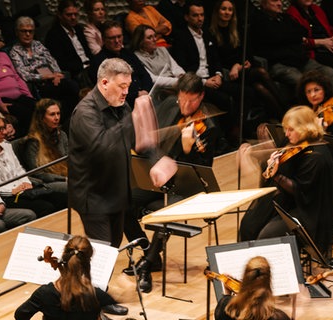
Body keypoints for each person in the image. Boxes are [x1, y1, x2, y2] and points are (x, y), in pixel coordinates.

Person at [125, 72, 222, 293]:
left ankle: (147, 264)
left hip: (184, 186)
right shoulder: (169, 105)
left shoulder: (209, 126)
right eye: (183, 99)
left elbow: (202, 169)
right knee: (122, 202)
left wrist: (188, 150)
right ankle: (148, 249)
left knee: (169, 212)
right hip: (157, 179)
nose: (186, 105)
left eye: (193, 100)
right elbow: (150, 142)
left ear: (201, 97)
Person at [239, 106, 333, 255]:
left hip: (313, 212)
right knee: (248, 225)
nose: (286, 134)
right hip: (293, 202)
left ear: (305, 128)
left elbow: (301, 191)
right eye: (285, 129)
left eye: (290, 129)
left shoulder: (316, 156)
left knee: (266, 237)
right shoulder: (294, 143)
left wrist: (277, 176)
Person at [69, 58, 145, 248]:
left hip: (116, 192)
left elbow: (136, 140)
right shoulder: (85, 112)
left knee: (113, 246)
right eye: (121, 86)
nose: (126, 92)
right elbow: (103, 147)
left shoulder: (123, 106)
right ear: (104, 83)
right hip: (94, 197)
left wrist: (157, 159)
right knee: (103, 252)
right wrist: (133, 118)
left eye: (128, 85)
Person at [249, 0, 333, 104]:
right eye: (274, 1)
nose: (279, 4)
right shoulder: (259, 21)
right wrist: (292, 37)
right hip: (280, 64)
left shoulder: (285, 18)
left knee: (329, 72)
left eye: (280, 1)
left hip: (300, 60)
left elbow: (303, 31)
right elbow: (274, 36)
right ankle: (316, 113)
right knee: (303, 81)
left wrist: (287, 36)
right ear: (263, 3)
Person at [209, 0, 285, 120]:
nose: (227, 12)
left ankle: (282, 117)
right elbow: (215, 59)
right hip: (227, 74)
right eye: (223, 9)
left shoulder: (236, 29)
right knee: (261, 73)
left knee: (259, 87)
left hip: (240, 70)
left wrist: (239, 64)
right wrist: (235, 67)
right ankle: (286, 112)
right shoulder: (211, 33)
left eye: (230, 10)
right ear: (217, 11)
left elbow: (247, 53)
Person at [0, 109, 58, 218]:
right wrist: (13, 191)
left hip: (23, 190)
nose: (4, 132)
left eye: (4, 127)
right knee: (46, 207)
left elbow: (19, 169)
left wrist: (26, 182)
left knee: (58, 198)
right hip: (6, 197)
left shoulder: (6, 145)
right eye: (0, 129)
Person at [14, 235, 117, 320]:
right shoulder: (97, 295)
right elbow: (119, 310)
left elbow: (20, 315)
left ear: (63, 257)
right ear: (88, 262)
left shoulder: (44, 293)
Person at [9, 16, 79, 128]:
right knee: (69, 87)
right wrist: (45, 76)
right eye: (24, 31)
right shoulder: (15, 51)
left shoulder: (38, 44)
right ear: (17, 32)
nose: (27, 34)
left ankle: (72, 120)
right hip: (38, 85)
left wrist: (56, 75)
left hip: (53, 79)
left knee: (72, 86)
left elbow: (52, 61)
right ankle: (66, 122)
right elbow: (24, 74)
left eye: (30, 31)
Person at [297, 70, 333, 179]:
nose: (312, 95)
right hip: (316, 160)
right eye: (308, 92)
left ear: (324, 90)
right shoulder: (306, 114)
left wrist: (322, 133)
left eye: (316, 90)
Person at [89, 20, 153, 108]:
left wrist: (145, 91)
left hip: (144, 97)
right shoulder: (99, 61)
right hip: (122, 105)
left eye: (119, 36)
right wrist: (136, 95)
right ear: (103, 40)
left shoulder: (128, 53)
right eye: (112, 38)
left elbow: (145, 75)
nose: (117, 41)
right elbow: (111, 90)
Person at [215, 256, 290, 320]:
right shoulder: (279, 317)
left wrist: (227, 293)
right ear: (268, 281)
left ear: (245, 278)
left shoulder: (224, 307)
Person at [22, 99, 68, 198]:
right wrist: (64, 179)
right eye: (52, 114)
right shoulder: (33, 141)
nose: (57, 118)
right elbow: (37, 173)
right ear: (42, 118)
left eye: (58, 114)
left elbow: (69, 158)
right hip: (48, 182)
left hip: (67, 176)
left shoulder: (61, 135)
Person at [45, 0, 93, 88]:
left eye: (75, 14)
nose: (73, 17)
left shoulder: (78, 29)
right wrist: (82, 66)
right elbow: (60, 62)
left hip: (89, 66)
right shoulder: (54, 34)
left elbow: (88, 51)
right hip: (75, 72)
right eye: (69, 15)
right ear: (60, 15)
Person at [132, 24, 185, 89]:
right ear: (141, 42)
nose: (154, 39)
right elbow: (152, 79)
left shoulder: (162, 50)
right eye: (149, 38)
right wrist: (178, 81)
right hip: (160, 89)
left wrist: (183, 77)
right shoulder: (137, 57)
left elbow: (175, 67)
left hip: (177, 83)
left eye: (155, 36)